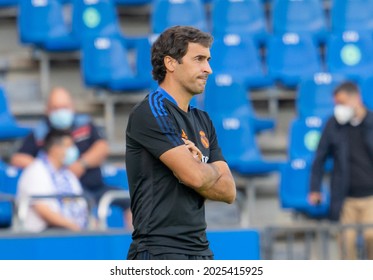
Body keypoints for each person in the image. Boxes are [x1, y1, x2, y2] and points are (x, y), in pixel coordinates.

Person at [125, 26, 236, 260]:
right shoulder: (151, 111)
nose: (208, 69)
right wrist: (204, 172)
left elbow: (229, 191)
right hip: (159, 252)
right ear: (171, 63)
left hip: (200, 251)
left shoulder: (203, 120)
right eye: (199, 59)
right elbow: (194, 177)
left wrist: (197, 167)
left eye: (208, 60)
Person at [11, 87, 131, 227]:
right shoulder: (41, 132)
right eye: (55, 108)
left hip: (94, 185)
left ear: (72, 107)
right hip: (65, 190)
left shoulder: (84, 124)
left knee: (131, 201)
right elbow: (18, 158)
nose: (61, 112)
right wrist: (49, 169)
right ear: (47, 110)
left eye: (64, 107)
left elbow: (102, 147)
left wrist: (81, 164)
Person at [309, 81, 373, 259]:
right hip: (345, 198)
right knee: (346, 242)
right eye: (337, 104)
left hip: (370, 197)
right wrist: (315, 188)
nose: (339, 108)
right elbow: (319, 158)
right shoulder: (333, 125)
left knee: (371, 237)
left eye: (342, 103)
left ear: (356, 99)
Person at [17, 130, 89, 232]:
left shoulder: (68, 175)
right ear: (55, 148)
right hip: (45, 234)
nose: (73, 150)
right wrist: (72, 226)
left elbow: (81, 205)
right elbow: (43, 210)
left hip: (70, 231)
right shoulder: (36, 171)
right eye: (69, 146)